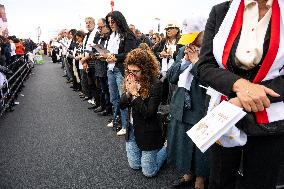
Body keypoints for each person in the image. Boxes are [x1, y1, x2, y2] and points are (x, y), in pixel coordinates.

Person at [197, 0, 284, 188]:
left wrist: (249, 96)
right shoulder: (220, 11)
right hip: (224, 109)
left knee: (260, 182)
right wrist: (240, 85)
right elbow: (204, 67)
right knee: (220, 180)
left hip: (271, 115)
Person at [167, 17, 208, 189]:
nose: (190, 41)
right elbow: (172, 77)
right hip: (181, 100)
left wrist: (196, 61)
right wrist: (184, 61)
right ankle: (188, 172)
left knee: (200, 140)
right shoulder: (182, 49)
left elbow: (211, 80)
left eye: (194, 36)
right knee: (183, 138)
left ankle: (201, 177)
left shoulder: (210, 51)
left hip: (200, 102)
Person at [120, 47, 167, 177]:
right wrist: (128, 92)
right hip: (132, 129)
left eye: (136, 71)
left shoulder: (155, 84)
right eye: (130, 71)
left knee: (148, 172)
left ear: (145, 69)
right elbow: (122, 105)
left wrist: (135, 94)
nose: (132, 74)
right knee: (135, 165)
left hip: (148, 131)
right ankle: (146, 154)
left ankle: (166, 149)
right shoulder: (130, 78)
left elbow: (148, 113)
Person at [103, 11, 138, 135]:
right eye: (109, 22)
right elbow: (110, 52)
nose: (111, 24)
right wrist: (105, 56)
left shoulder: (128, 34)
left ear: (119, 20)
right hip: (110, 69)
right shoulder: (111, 35)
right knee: (114, 98)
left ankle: (125, 125)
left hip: (121, 70)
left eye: (113, 21)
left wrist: (115, 57)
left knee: (123, 98)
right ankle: (116, 119)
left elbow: (130, 53)